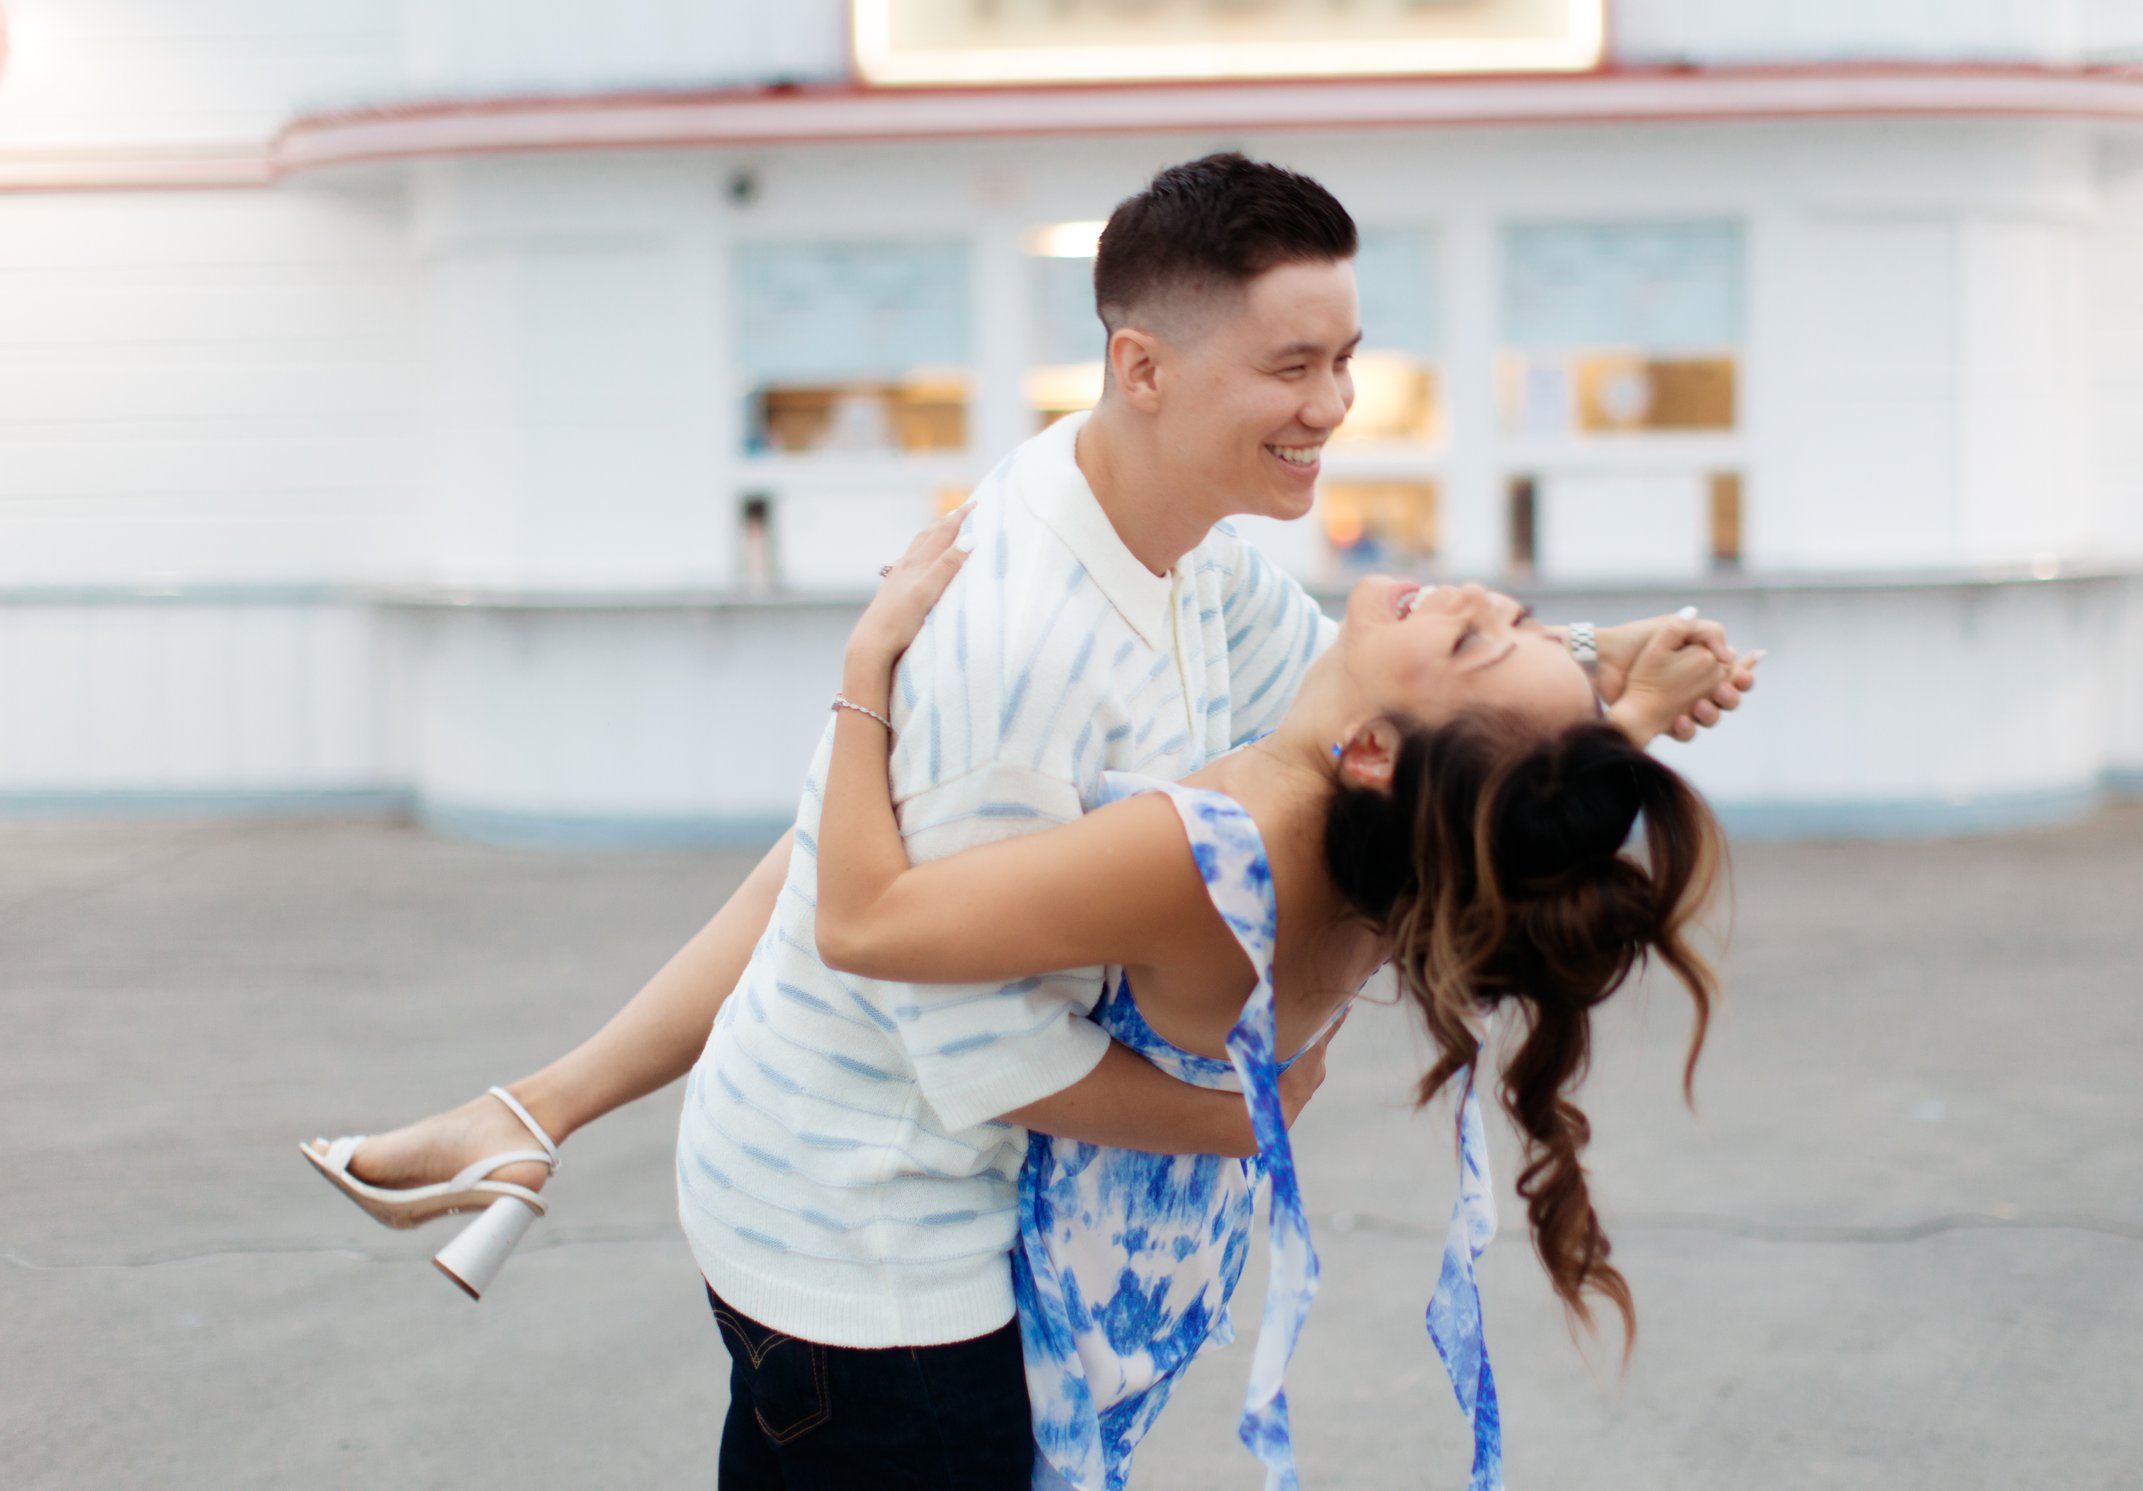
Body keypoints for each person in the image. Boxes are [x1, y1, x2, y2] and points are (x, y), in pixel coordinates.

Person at [303, 153, 1753, 1488]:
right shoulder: (1021, 644)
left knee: (837, 824)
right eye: (1294, 364)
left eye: (1349, 359)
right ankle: (530, 1110)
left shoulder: (1182, 550)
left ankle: (528, 1113)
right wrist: (1240, 1121)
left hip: (917, 1214)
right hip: (876, 1258)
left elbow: (1362, 701)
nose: (1335, 403)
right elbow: (961, 1034)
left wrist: (1595, 673)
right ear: (1142, 366)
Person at [811, 509, 1733, 1491]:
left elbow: (863, 924)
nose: (1474, 594)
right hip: (1132, 1300)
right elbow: (1512, 788)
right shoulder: (1413, 859)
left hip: (1003, 1340)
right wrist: (1618, 691)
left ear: (1374, 751)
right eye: (1523, 616)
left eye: (1475, 637)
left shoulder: (1209, 854)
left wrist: (866, 668)